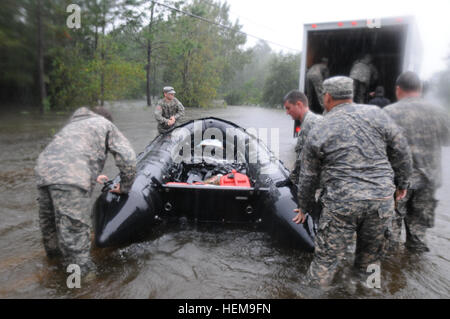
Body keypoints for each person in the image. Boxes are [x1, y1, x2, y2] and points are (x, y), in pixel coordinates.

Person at [293, 76, 412, 287]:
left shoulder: (320, 126)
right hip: (381, 201)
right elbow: (402, 151)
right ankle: (370, 292)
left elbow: (308, 176)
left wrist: (303, 207)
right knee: (371, 263)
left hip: (341, 204)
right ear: (350, 95)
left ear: (327, 97)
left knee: (325, 263)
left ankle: (313, 292)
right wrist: (402, 184)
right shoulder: (377, 115)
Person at [35, 106, 136, 275]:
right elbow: (128, 158)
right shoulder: (105, 125)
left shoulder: (74, 125)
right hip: (70, 178)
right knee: (76, 239)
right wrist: (125, 187)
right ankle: (81, 287)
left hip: (43, 173)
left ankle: (54, 275)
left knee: (51, 233)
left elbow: (69, 154)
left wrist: (88, 174)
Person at [384, 71, 450, 252]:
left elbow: (379, 148)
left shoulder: (389, 113)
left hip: (398, 184)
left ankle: (391, 275)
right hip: (429, 181)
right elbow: (446, 141)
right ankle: (415, 267)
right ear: (420, 89)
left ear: (398, 89)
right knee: (418, 236)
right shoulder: (439, 113)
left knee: (390, 236)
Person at [282, 90, 323, 186]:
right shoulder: (312, 120)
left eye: (288, 108)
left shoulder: (309, 123)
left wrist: (291, 179)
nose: (287, 113)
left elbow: (304, 157)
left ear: (299, 104)